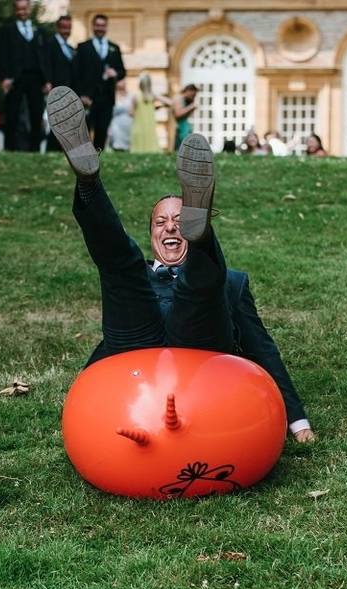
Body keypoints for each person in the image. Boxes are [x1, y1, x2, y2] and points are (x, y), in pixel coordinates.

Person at [45, 85, 316, 443]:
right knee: (121, 265)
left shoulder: (232, 283)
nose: (170, 226)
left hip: (200, 354)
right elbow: (106, 346)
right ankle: (89, 182)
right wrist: (82, 401)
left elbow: (261, 346)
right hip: (136, 354)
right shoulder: (138, 279)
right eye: (160, 222)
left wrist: (298, 422)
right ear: (152, 235)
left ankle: (202, 237)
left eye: (180, 220)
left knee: (201, 284)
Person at [0, 0, 51, 152]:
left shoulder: (39, 31)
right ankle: (10, 148)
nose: (22, 12)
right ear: (15, 11)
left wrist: (47, 79)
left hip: (35, 77)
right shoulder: (7, 30)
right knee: (12, 113)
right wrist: (5, 77)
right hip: (15, 77)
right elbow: (3, 55)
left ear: (29, 9)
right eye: (19, 9)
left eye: (24, 9)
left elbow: (45, 56)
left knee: (36, 113)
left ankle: (34, 149)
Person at [74, 14, 126, 151]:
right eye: (97, 25)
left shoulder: (114, 48)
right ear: (93, 26)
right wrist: (81, 95)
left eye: (102, 25)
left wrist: (116, 73)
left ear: (106, 27)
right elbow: (76, 74)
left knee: (102, 131)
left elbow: (122, 71)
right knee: (84, 131)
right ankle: (83, 159)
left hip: (107, 98)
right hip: (88, 98)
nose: (100, 28)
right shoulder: (83, 47)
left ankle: (98, 159)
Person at [45, 14, 77, 152]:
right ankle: (51, 149)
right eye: (64, 28)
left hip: (68, 91)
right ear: (58, 28)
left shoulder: (71, 48)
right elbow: (46, 65)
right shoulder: (50, 45)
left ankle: (63, 148)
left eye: (69, 28)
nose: (66, 31)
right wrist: (48, 82)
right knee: (57, 120)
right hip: (55, 90)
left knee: (67, 121)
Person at [130, 73, 161, 153]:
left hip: (138, 123)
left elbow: (131, 113)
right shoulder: (152, 96)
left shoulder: (135, 96)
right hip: (150, 124)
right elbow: (170, 102)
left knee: (139, 141)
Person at [107, 78, 134, 152]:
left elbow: (132, 111)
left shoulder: (131, 95)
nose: (123, 82)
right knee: (115, 128)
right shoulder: (113, 96)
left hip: (128, 121)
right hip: (116, 121)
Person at [171, 84, 198, 151]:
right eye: (193, 95)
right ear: (188, 91)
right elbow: (178, 114)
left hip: (184, 127)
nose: (193, 97)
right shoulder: (179, 99)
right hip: (181, 128)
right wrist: (191, 107)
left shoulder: (185, 100)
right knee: (181, 148)